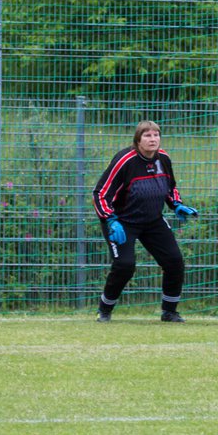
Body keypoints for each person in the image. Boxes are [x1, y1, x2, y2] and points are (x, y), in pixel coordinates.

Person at [92, 120, 198, 322]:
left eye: (156, 135)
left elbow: (169, 187)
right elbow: (100, 193)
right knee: (125, 265)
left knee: (174, 261)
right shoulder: (125, 161)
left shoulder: (163, 159)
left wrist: (176, 204)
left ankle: (169, 312)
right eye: (147, 136)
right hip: (122, 222)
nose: (153, 139)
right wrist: (110, 220)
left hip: (153, 221)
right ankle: (104, 311)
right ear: (138, 140)